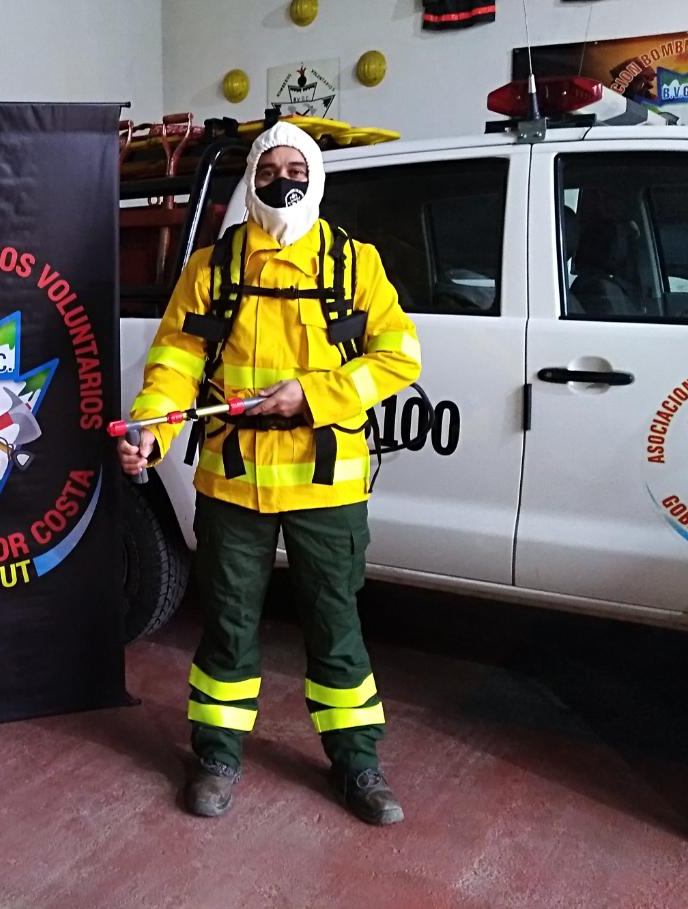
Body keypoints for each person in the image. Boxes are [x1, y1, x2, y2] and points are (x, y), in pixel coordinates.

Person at [117, 121, 422, 824]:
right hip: (233, 480)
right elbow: (175, 367)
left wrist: (314, 395)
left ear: (314, 179)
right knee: (226, 624)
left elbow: (399, 355)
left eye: (295, 167)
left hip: (327, 483)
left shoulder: (355, 265)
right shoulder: (210, 268)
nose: (282, 180)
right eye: (268, 168)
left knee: (335, 623)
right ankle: (217, 756)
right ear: (250, 180)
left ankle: (358, 764)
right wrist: (149, 435)